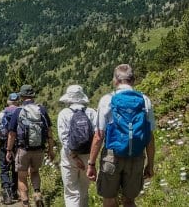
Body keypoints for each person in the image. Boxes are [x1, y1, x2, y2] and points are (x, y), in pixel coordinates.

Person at [86, 64, 156, 207]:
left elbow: (99, 136)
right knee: (130, 201)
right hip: (136, 156)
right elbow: (149, 136)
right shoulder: (144, 100)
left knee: (109, 199)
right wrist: (150, 164)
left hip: (112, 157)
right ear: (133, 80)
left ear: (115, 80)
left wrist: (91, 164)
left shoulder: (107, 100)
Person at [6, 84, 55, 207]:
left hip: (23, 149)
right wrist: (50, 149)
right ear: (33, 96)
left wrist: (8, 150)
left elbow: (11, 134)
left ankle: (26, 202)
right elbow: (49, 131)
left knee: (22, 176)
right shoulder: (42, 110)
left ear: (21, 97)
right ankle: (37, 193)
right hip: (39, 149)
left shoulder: (18, 111)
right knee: (35, 172)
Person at [57, 85, 97, 207]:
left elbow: (63, 137)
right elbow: (97, 136)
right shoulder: (91, 112)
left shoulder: (64, 113)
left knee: (71, 192)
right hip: (88, 155)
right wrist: (92, 160)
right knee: (84, 190)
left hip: (69, 156)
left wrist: (74, 156)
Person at [0, 92, 20, 204]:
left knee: (4, 168)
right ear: (18, 101)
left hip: (4, 143)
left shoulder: (2, 114)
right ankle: (15, 192)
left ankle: (7, 193)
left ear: (8, 101)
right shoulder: (22, 112)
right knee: (16, 168)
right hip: (19, 144)